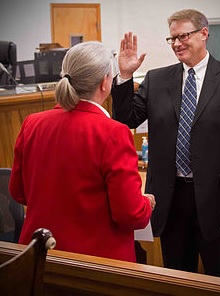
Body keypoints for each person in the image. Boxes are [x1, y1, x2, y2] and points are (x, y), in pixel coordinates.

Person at [111, 9, 220, 279]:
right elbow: (125, 120)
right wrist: (124, 77)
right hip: (171, 202)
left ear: (204, 34)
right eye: (172, 39)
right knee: (178, 281)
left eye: (183, 36)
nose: (177, 44)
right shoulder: (156, 80)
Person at [9, 41, 155, 263]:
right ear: (105, 83)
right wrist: (147, 203)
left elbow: (18, 192)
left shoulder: (32, 123)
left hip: (39, 256)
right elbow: (130, 214)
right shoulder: (113, 132)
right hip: (95, 264)